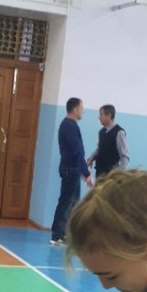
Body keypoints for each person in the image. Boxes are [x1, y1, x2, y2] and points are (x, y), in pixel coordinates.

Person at [50, 97, 92, 246]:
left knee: (73, 203)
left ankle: (66, 234)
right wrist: (86, 173)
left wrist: (82, 170)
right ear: (75, 109)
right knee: (66, 202)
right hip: (70, 170)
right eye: (81, 108)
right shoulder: (69, 126)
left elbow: (78, 152)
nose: (83, 111)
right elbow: (77, 152)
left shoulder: (70, 125)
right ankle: (57, 235)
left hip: (73, 170)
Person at [87, 105, 130, 180]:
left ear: (109, 115)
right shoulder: (101, 132)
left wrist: (121, 174)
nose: (99, 117)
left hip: (111, 176)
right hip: (100, 173)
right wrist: (91, 158)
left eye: (101, 114)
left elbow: (124, 156)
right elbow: (100, 149)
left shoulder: (119, 132)